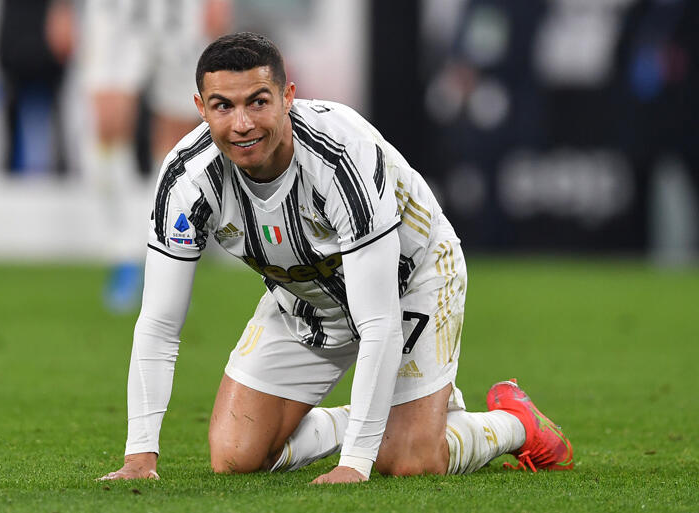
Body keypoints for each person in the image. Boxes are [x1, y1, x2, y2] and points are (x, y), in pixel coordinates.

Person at [99, 32, 573, 483]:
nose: (241, 124)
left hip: (409, 283)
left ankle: (515, 424)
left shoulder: (342, 156)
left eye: (258, 102)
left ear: (288, 97)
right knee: (235, 455)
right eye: (223, 106)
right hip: (306, 298)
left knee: (408, 460)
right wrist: (139, 455)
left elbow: (380, 321)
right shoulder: (186, 179)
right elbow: (159, 324)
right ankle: (388, 417)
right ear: (201, 108)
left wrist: (356, 463)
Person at [80, 0, 230, 311]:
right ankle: (124, 253)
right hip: (117, 11)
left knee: (174, 138)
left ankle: (159, 255)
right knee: (109, 121)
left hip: (179, 11)